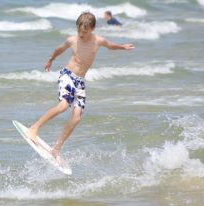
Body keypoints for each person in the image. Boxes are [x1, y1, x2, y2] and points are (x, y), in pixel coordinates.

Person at [28, 12, 134, 162]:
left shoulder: (98, 41)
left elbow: (110, 46)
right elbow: (59, 49)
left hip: (80, 82)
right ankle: (34, 128)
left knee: (76, 117)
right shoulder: (72, 40)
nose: (81, 34)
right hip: (68, 75)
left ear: (93, 28)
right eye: (79, 30)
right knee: (63, 105)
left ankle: (56, 148)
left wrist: (122, 47)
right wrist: (51, 60)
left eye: (84, 31)